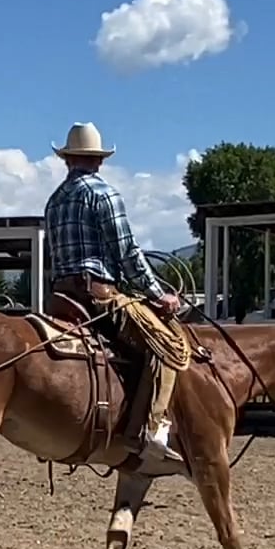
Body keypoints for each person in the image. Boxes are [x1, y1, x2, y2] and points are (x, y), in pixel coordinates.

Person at [42, 122, 185, 466]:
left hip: (62, 296)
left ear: (66, 159)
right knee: (168, 348)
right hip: (99, 295)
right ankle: (146, 433)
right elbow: (127, 253)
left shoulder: (54, 201)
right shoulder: (104, 194)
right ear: (99, 160)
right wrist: (159, 293)